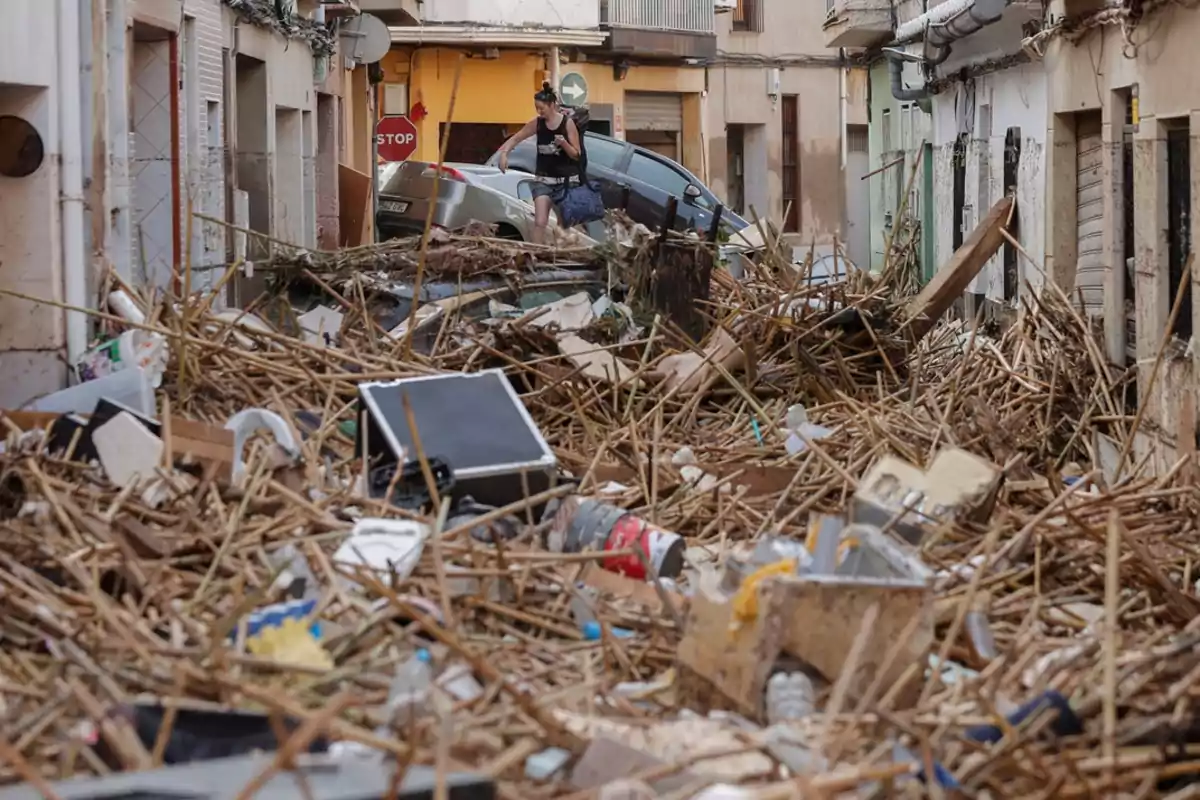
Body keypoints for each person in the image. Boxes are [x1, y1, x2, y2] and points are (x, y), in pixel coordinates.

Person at [496, 83, 582, 244]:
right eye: (536, 108)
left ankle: (559, 256)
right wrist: (504, 153)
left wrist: (563, 144)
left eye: (542, 108)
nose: (539, 112)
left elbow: (576, 154)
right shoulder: (537, 123)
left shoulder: (567, 124)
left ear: (551, 105)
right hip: (543, 180)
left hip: (566, 182)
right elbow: (517, 137)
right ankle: (535, 255)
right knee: (540, 221)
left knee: (563, 226)